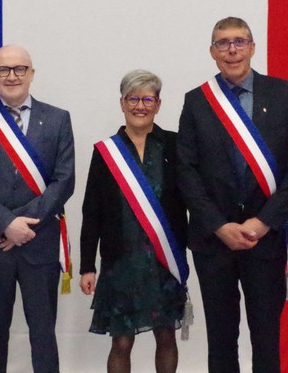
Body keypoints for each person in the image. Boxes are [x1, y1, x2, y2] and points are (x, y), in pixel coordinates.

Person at [176, 17, 288, 373]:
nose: (231, 50)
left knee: (266, 337)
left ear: (252, 47)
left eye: (239, 42)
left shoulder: (284, 94)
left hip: (264, 239)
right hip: (213, 240)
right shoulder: (197, 101)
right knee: (221, 339)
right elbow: (186, 171)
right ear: (212, 52)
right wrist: (219, 226)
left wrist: (263, 222)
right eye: (223, 43)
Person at [0, 44, 75, 373]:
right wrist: (7, 225)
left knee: (43, 335)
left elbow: (64, 180)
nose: (12, 76)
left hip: (40, 244)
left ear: (31, 73)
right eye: (3, 70)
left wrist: (24, 226)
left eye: (19, 69)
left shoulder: (58, 119)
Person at [79, 70, 189, 373]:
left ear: (158, 104)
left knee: (166, 336)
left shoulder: (174, 145)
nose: (140, 106)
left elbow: (191, 199)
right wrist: (87, 265)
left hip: (164, 261)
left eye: (147, 99)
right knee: (122, 342)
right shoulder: (106, 152)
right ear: (122, 103)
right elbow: (92, 211)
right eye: (133, 99)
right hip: (121, 263)